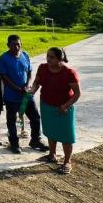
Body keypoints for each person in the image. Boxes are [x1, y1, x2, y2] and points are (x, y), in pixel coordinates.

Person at [30, 47, 81, 175]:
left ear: (60, 59)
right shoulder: (42, 68)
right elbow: (37, 82)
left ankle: (67, 161)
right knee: (50, 131)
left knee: (66, 135)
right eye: (47, 56)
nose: (48, 59)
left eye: (51, 57)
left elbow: (77, 94)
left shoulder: (69, 72)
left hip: (63, 108)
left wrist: (65, 106)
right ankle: (51, 155)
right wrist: (32, 90)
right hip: (47, 105)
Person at [0, 35, 49, 154]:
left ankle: (35, 140)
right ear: (8, 45)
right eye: (13, 44)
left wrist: (28, 85)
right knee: (12, 120)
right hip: (12, 96)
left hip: (26, 95)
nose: (16, 47)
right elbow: (4, 77)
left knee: (35, 117)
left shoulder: (24, 55)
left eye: (18, 44)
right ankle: (14, 143)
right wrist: (17, 88)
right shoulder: (4, 58)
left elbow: (30, 71)